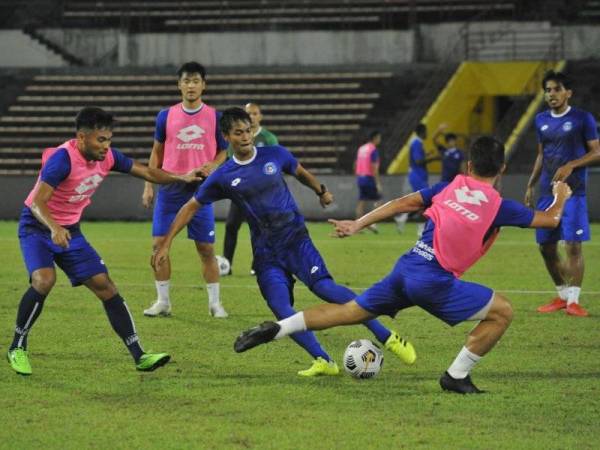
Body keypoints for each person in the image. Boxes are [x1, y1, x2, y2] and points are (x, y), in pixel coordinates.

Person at [235, 136, 573, 394]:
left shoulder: (448, 187)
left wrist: (357, 223)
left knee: (351, 310)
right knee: (503, 311)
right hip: (433, 280)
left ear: (468, 167)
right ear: (500, 170)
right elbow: (550, 219)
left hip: (407, 267)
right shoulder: (500, 205)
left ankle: (278, 329)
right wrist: (560, 194)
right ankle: (456, 376)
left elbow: (402, 203)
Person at [152, 107, 416, 376]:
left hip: (295, 240)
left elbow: (299, 171)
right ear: (227, 136)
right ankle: (323, 360)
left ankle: (388, 337)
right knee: (279, 306)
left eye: (248, 131)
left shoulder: (274, 155)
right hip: (266, 252)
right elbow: (191, 206)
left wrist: (321, 191)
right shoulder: (223, 176)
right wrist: (166, 243)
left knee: (326, 289)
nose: (245, 137)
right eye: (238, 133)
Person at [7, 107, 203, 376]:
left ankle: (140, 355)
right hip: (37, 227)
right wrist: (54, 227)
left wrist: (181, 176)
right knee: (43, 280)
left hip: (70, 230)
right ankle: (17, 346)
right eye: (101, 139)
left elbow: (146, 172)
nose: (106, 146)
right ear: (81, 138)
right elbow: (38, 202)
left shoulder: (109, 157)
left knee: (106, 286)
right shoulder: (62, 159)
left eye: (109, 139)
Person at [142, 61, 229, 318]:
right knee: (158, 245)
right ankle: (163, 302)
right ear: (179, 85)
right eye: (186, 81)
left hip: (201, 191)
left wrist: (213, 163)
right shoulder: (165, 116)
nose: (191, 86)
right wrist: (149, 185)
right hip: (170, 187)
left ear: (204, 85)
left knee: (205, 249)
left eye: (195, 81)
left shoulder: (215, 116)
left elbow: (224, 150)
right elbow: (156, 152)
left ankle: (215, 303)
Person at [524, 70, 600, 317]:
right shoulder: (540, 120)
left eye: (556, 89)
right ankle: (562, 295)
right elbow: (541, 154)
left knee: (573, 246)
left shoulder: (582, 118)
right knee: (545, 246)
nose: (551, 94)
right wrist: (531, 184)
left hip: (573, 192)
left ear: (568, 93)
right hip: (547, 193)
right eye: (547, 90)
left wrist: (572, 164)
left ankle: (574, 302)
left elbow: (597, 152)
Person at [222, 102, 278, 275]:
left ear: (260, 116)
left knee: (260, 229)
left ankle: (257, 265)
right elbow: (230, 163)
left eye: (254, 113)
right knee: (231, 226)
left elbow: (274, 163)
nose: (251, 116)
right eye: (248, 113)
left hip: (260, 194)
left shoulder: (268, 138)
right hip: (240, 193)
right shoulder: (235, 139)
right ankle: (226, 265)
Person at [395, 123, 441, 234]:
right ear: (422, 132)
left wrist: (428, 155)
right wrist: (434, 158)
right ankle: (420, 228)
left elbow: (418, 159)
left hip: (417, 175)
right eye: (426, 131)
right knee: (425, 201)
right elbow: (418, 161)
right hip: (417, 175)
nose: (427, 134)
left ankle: (402, 219)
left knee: (421, 202)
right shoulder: (416, 143)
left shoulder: (416, 143)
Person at [354, 130, 382, 234]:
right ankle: (372, 224)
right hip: (369, 178)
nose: (379, 140)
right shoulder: (373, 149)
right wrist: (378, 182)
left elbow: (356, 163)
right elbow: (374, 167)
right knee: (378, 201)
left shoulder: (361, 148)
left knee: (361, 201)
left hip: (360, 177)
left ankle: (357, 227)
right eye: (379, 138)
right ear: (375, 138)